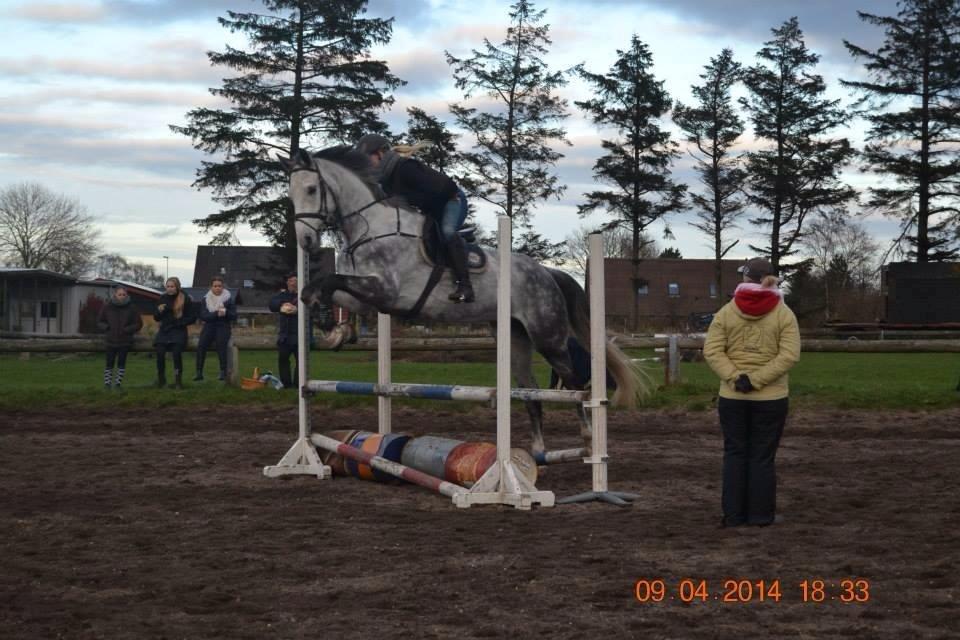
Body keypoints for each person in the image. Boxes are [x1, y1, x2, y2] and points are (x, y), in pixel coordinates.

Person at [703, 258, 801, 528]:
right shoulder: (784, 314)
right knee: (762, 457)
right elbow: (789, 355)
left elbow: (712, 351)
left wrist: (736, 378)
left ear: (746, 279)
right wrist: (756, 380)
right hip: (771, 399)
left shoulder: (726, 312)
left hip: (733, 397)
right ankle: (760, 516)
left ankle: (733, 515)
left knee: (735, 454)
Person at [354, 133, 474, 303]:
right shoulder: (384, 181)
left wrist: (408, 201)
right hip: (431, 207)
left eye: (368, 158)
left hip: (452, 200)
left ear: (380, 153)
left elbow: (446, 189)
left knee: (447, 231)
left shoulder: (406, 167)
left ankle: (466, 286)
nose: (366, 164)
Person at [153, 276, 196, 389]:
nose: (170, 288)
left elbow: (192, 317)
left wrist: (179, 323)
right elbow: (156, 318)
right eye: (168, 286)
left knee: (176, 353)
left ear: (177, 287)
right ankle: (161, 380)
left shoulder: (185, 298)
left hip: (178, 330)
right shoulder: (162, 298)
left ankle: (178, 381)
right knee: (160, 353)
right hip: (164, 330)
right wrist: (159, 311)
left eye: (172, 286)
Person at [96, 286, 143, 390]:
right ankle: (107, 384)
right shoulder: (107, 307)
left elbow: (138, 324)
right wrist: (107, 328)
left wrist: (127, 330)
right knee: (109, 363)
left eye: (124, 294)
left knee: (121, 363)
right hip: (110, 340)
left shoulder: (132, 308)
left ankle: (118, 384)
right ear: (115, 295)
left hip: (125, 341)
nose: (122, 296)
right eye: (119, 294)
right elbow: (99, 321)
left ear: (127, 295)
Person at [194, 276, 237, 381]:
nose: (217, 288)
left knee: (221, 345)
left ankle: (223, 372)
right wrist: (216, 313)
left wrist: (225, 312)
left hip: (223, 326)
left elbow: (234, 316)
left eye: (219, 286)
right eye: (215, 286)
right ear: (211, 287)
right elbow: (203, 316)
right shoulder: (206, 299)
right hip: (209, 326)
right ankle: (199, 372)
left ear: (223, 287)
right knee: (201, 345)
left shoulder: (228, 299)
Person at [269, 273, 301, 389]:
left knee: (301, 361)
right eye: (291, 281)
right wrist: (282, 305)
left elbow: (312, 309)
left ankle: (298, 384)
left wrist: (297, 310)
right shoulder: (282, 295)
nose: (293, 283)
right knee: (283, 360)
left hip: (299, 335)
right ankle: (286, 384)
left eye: (296, 281)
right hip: (285, 336)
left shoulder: (303, 295)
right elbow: (272, 305)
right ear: (287, 282)